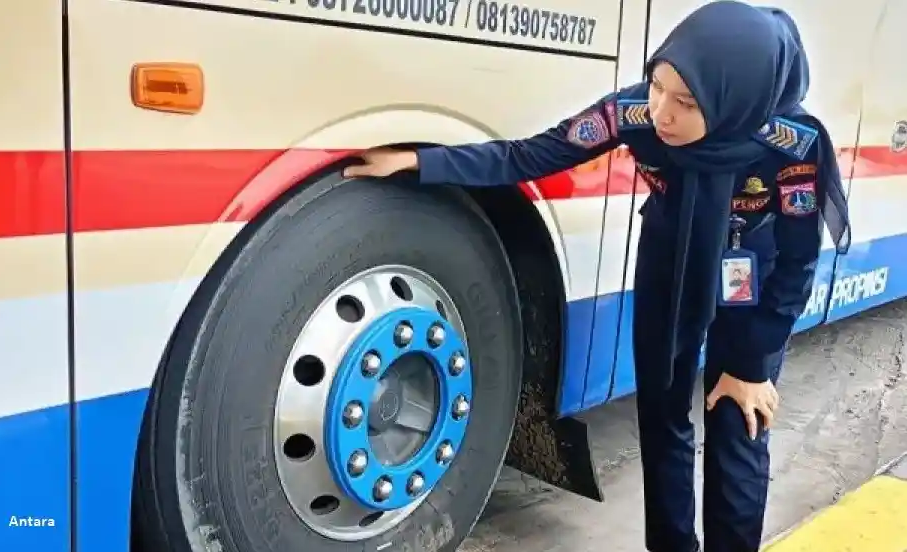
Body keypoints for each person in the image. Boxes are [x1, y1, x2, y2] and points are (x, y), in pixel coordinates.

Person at [342, 2, 852, 550]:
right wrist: (426, 164)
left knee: (738, 418)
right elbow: (531, 155)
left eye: (685, 102)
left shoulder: (791, 147)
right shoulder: (631, 112)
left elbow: (799, 260)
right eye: (657, 85)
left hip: (752, 274)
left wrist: (753, 364)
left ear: (735, 102)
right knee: (661, 418)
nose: (661, 112)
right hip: (670, 260)